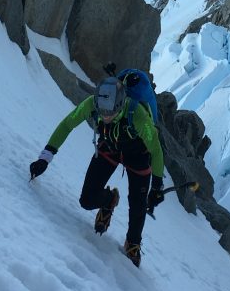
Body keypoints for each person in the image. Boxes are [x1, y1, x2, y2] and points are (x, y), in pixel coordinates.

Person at [29, 75, 165, 267]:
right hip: (110, 147)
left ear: (120, 105)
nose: (104, 117)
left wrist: (157, 186)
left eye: (109, 113)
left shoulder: (138, 116)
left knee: (138, 205)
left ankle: (133, 242)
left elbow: (156, 150)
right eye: (102, 112)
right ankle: (109, 200)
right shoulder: (93, 104)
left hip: (138, 155)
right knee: (87, 200)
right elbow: (68, 124)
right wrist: (45, 157)